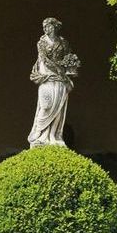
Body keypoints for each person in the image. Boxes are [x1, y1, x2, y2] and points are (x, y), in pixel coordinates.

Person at [25, 17, 79, 148]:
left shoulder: (63, 43)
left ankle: (53, 136)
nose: (45, 29)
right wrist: (60, 72)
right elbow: (45, 60)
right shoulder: (41, 42)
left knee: (58, 109)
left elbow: (68, 58)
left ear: (54, 27)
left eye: (48, 26)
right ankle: (38, 134)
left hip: (60, 81)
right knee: (46, 106)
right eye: (44, 26)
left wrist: (71, 67)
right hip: (46, 77)